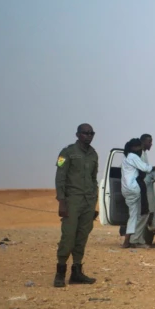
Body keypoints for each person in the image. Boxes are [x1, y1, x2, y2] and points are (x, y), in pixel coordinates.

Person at [53, 123, 99, 288]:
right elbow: (60, 177)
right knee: (68, 236)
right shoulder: (67, 152)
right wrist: (62, 201)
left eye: (91, 133)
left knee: (82, 237)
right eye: (85, 133)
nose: (89, 135)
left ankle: (77, 272)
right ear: (78, 134)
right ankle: (60, 272)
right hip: (72, 200)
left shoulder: (93, 154)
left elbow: (94, 179)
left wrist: (94, 201)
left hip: (88, 201)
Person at [120, 138, 153, 249]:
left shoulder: (125, 158)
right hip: (134, 188)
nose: (140, 149)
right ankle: (133, 240)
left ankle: (130, 240)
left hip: (125, 189)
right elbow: (145, 168)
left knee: (133, 215)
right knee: (140, 214)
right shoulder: (133, 157)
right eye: (139, 147)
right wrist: (154, 167)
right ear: (134, 148)